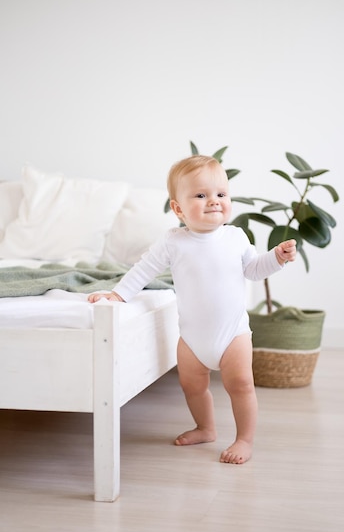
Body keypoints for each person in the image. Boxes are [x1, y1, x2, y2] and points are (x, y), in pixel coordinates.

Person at [88, 155, 296, 464]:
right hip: (192, 338)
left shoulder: (236, 237)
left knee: (240, 385)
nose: (214, 201)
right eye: (201, 195)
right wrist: (118, 295)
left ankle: (244, 439)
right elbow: (144, 270)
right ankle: (205, 427)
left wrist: (276, 258)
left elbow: (253, 270)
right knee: (191, 385)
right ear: (178, 208)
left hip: (233, 334)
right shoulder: (174, 242)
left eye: (221, 194)